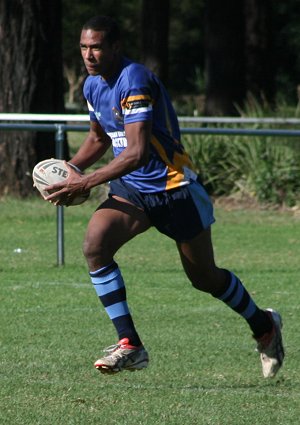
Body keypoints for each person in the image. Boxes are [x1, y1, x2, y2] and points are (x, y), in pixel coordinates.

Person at [46, 15, 284, 377]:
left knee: (204, 278)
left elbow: (138, 151)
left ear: (115, 47)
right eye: (83, 47)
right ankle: (130, 344)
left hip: (173, 188)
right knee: (95, 244)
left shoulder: (134, 78)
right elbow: (98, 138)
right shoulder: (93, 85)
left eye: (96, 47)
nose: (89, 55)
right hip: (132, 189)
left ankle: (264, 325)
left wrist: (86, 183)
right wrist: (68, 172)